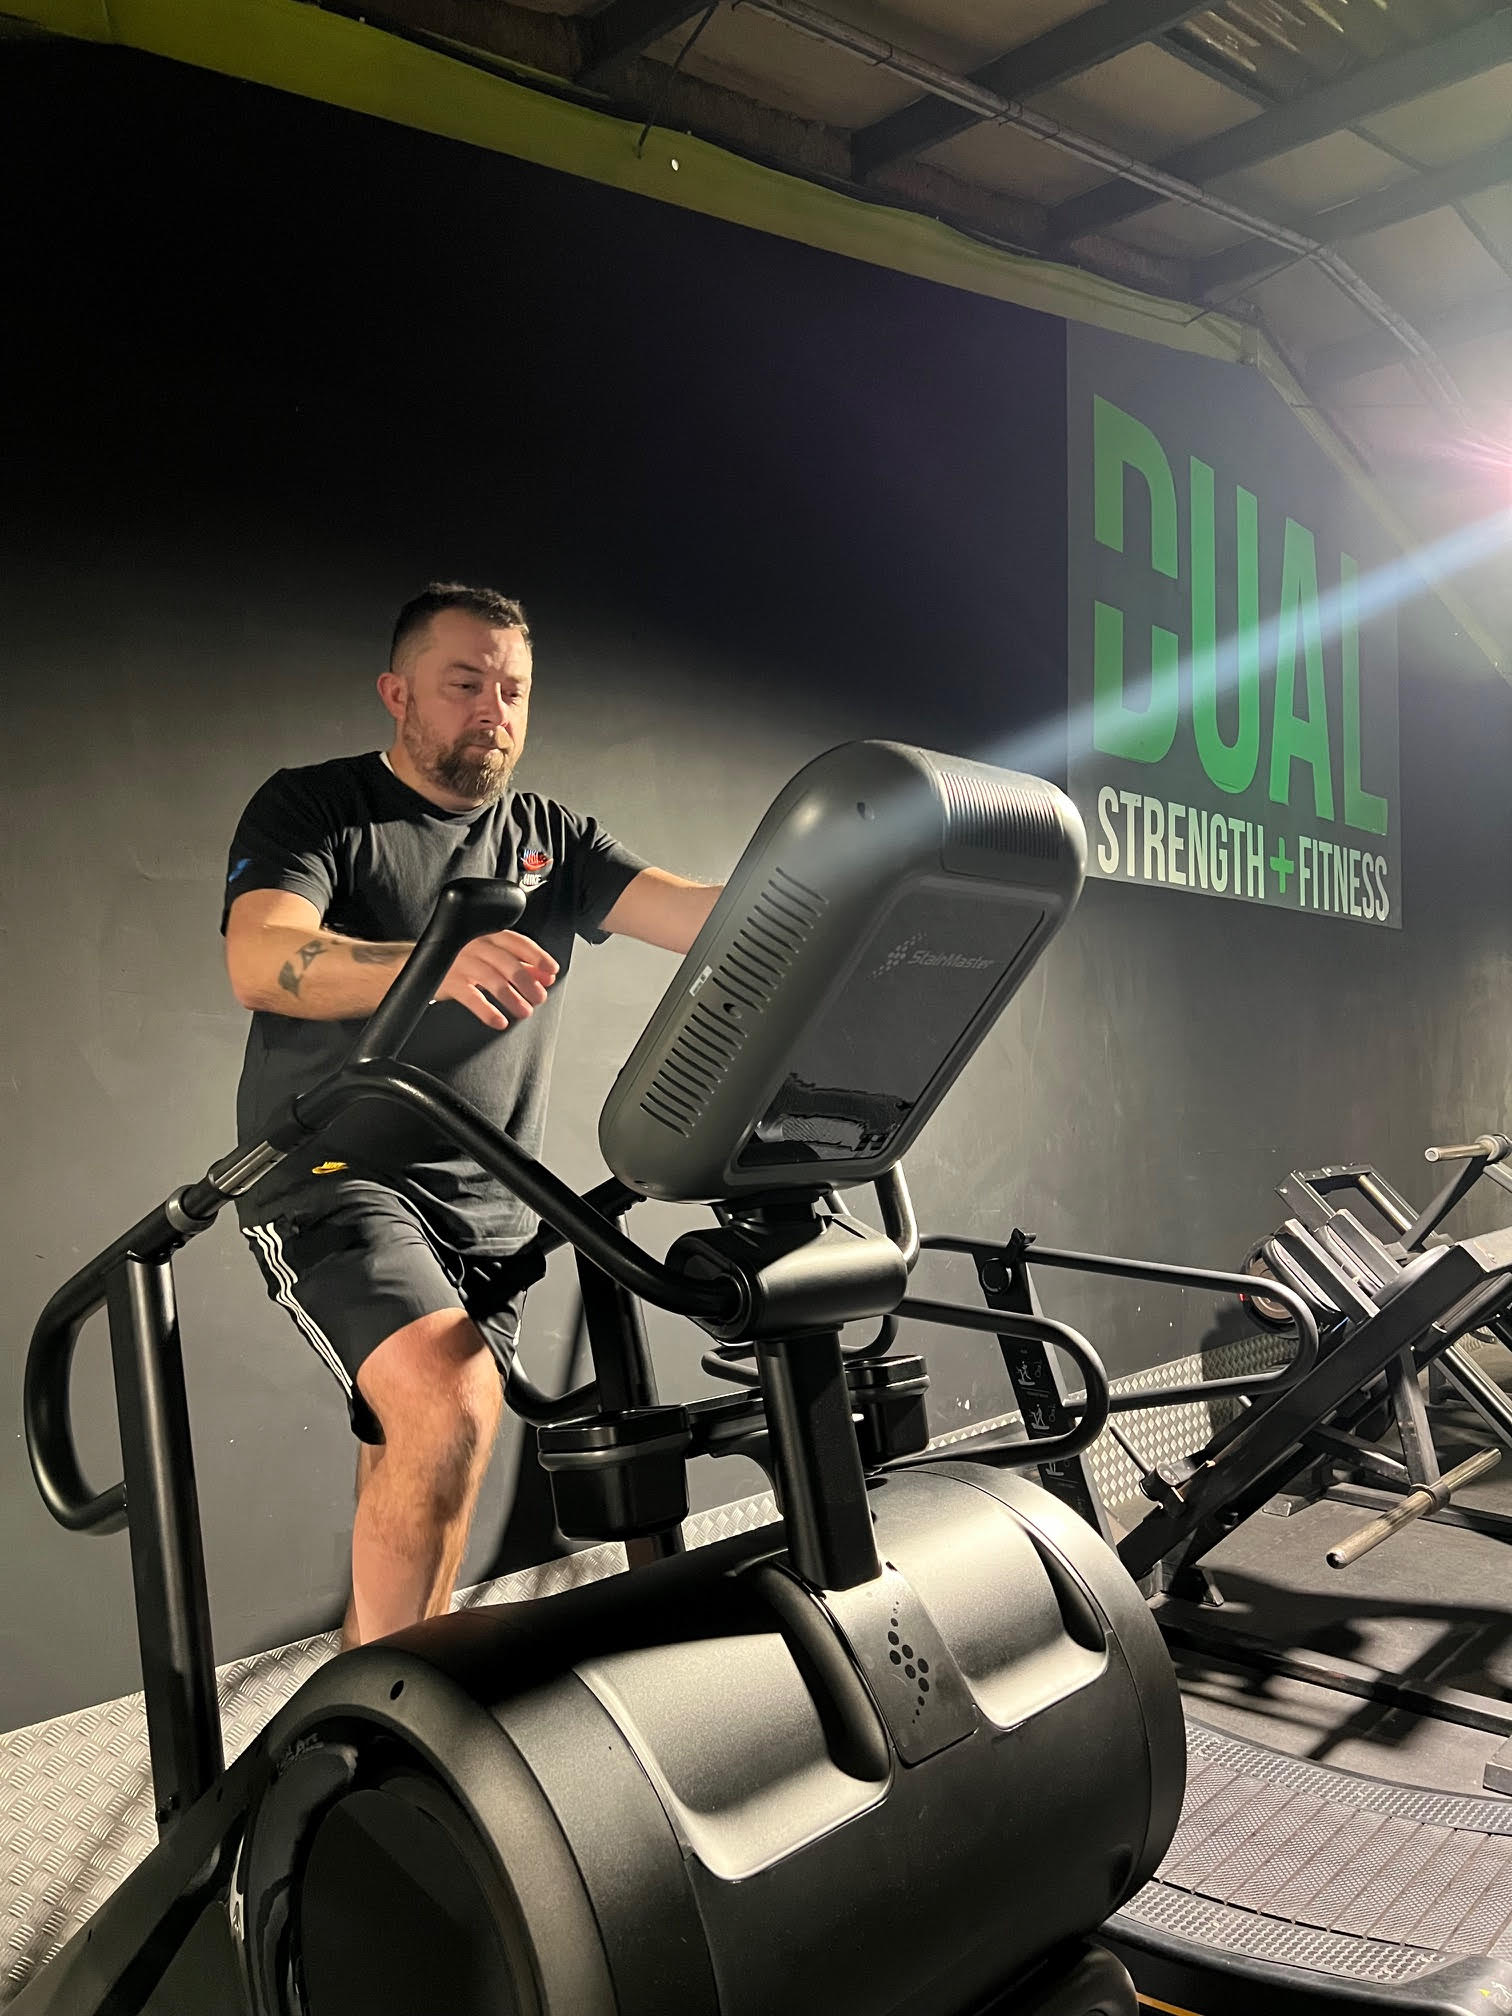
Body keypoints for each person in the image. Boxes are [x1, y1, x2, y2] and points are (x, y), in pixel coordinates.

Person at [222, 583, 722, 1648]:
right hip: (331, 1172)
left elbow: (691, 912)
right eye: (464, 684)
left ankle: (383, 1687)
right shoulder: (317, 809)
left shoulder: (550, 837)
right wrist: (432, 963)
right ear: (398, 692)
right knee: (448, 1407)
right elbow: (261, 957)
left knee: (423, 1441)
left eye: (513, 689)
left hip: (496, 1209)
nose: (493, 708)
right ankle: (396, 1719)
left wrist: (844, 881)